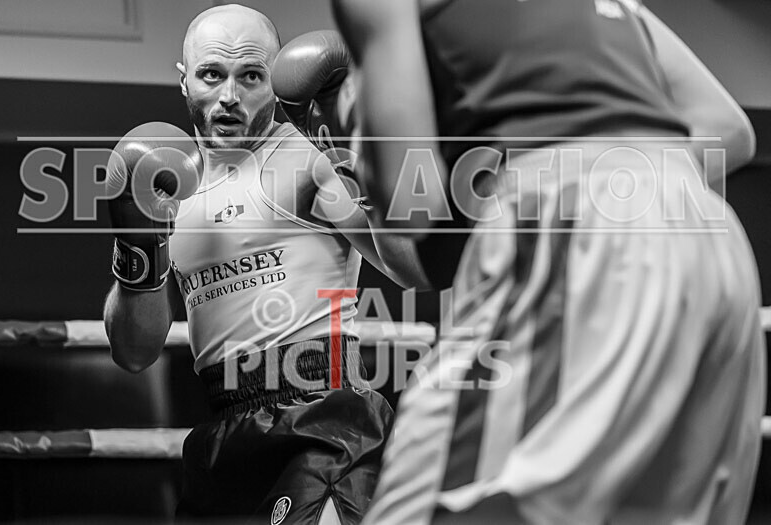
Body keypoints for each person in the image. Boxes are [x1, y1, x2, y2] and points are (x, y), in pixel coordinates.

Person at [317, 0, 765, 523]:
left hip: (569, 228)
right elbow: (729, 131)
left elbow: (409, 203)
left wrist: (359, 124)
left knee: (416, 509)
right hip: (710, 235)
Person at [103, 4, 427, 523]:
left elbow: (414, 270)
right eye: (212, 74)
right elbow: (134, 352)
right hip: (225, 432)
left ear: (275, 82)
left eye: (251, 76)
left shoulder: (308, 159)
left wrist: (363, 161)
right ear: (184, 80)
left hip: (323, 416)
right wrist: (137, 244)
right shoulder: (166, 183)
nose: (230, 96)